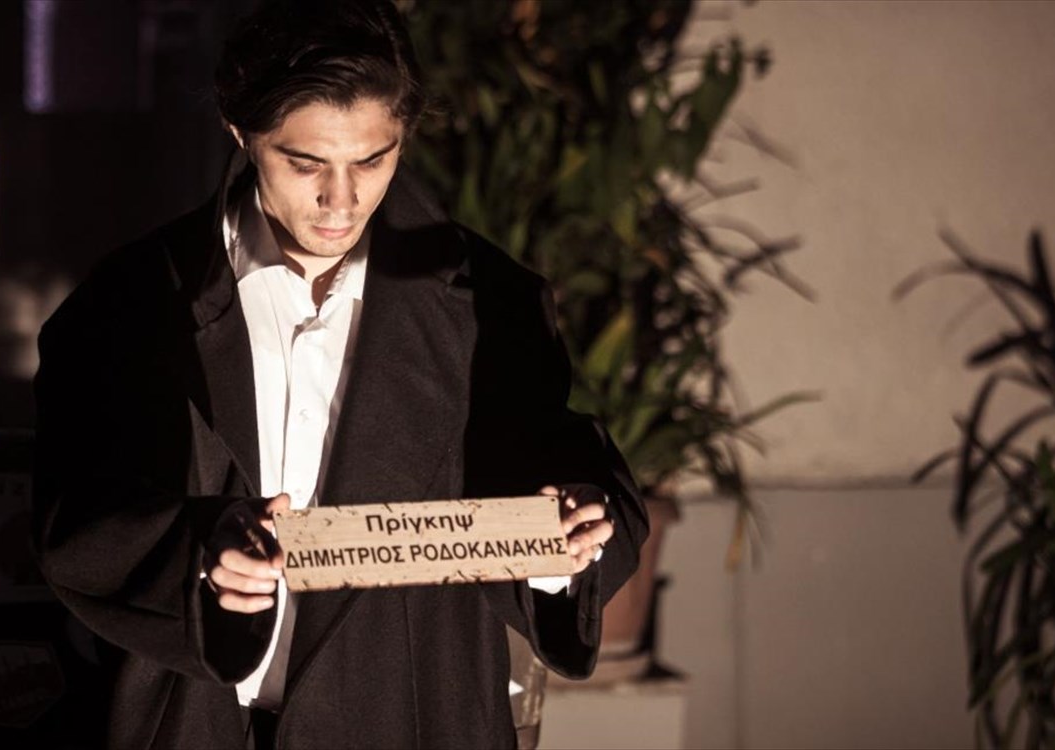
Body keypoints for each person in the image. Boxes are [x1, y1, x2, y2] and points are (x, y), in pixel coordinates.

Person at [32, 1, 647, 748]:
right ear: (240, 130)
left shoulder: (492, 302)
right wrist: (197, 556)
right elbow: (74, 517)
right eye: (306, 164)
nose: (341, 201)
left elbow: (563, 472)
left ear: (404, 135)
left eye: (372, 161)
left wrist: (566, 542)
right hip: (191, 721)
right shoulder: (127, 301)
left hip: (410, 721)